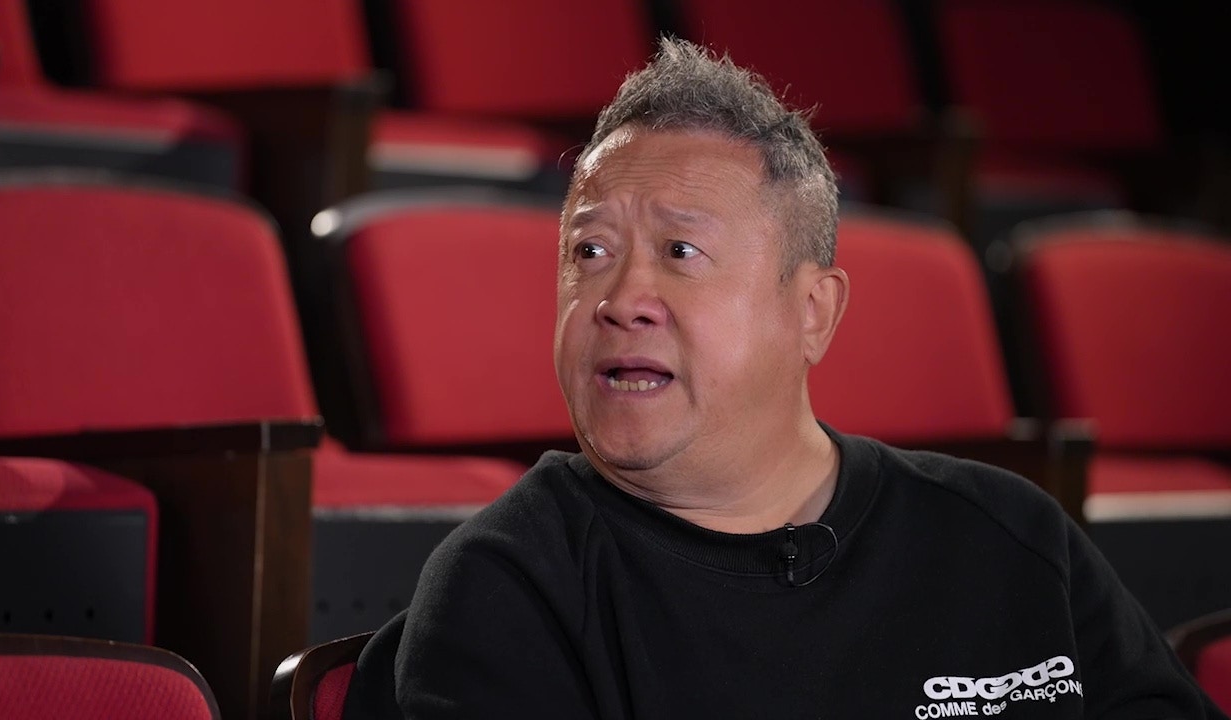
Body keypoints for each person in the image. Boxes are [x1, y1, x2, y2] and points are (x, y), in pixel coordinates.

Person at [343, 39, 1226, 719]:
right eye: (590, 252)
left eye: (680, 251)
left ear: (813, 311)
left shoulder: (1007, 536)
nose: (620, 300)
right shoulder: (508, 587)